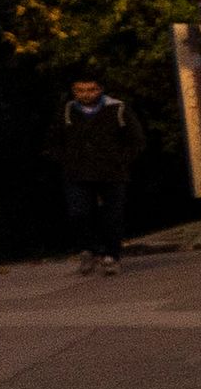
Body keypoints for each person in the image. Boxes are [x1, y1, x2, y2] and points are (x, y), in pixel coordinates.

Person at [56, 76, 144, 275]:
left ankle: (111, 255)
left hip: (112, 171)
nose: (85, 95)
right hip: (78, 171)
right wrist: (66, 159)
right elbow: (55, 139)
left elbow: (136, 139)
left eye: (91, 90)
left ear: (100, 89)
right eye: (80, 90)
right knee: (79, 213)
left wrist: (121, 160)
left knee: (112, 215)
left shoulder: (117, 108)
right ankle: (89, 250)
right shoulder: (67, 111)